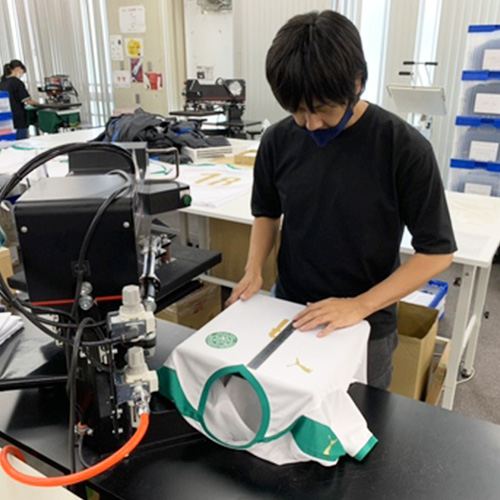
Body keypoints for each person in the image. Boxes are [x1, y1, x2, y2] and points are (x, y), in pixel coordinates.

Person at [227, 10, 456, 390]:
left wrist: (360, 305)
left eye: (322, 109)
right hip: (289, 309)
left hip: (365, 324)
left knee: (357, 418)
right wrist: (254, 270)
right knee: (282, 407)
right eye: (298, 111)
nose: (311, 124)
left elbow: (437, 252)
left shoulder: (403, 147)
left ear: (357, 82)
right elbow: (267, 212)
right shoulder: (278, 141)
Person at [0, 60, 39, 139]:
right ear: (17, 69)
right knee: (21, 142)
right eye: (22, 72)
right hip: (18, 119)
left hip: (5, 121)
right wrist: (40, 104)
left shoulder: (2, 83)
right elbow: (27, 100)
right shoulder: (17, 83)